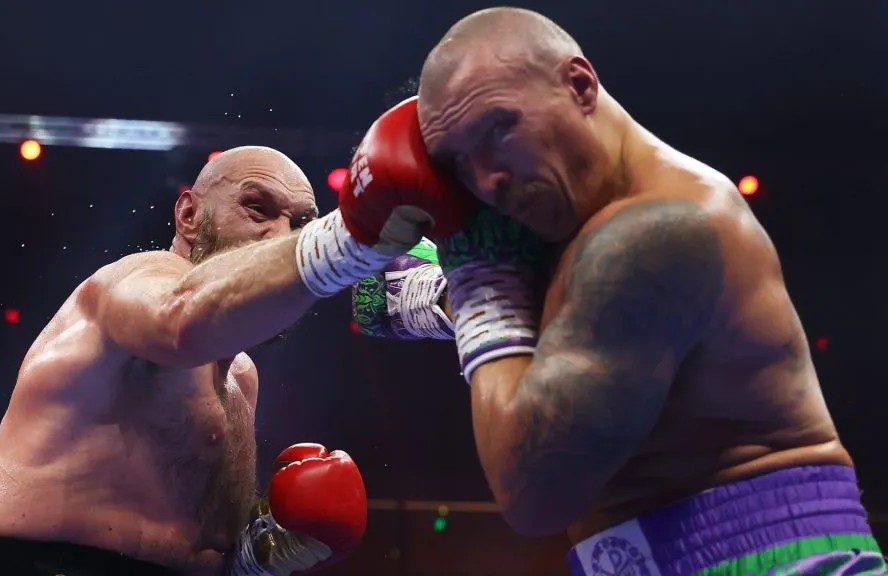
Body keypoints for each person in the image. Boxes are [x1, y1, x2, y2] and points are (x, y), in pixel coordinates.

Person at [340, 8, 885, 575]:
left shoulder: (655, 233)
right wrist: (439, 292)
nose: (485, 180)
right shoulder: (572, 226)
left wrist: (476, 283)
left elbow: (534, 494)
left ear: (579, 86)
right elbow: (379, 298)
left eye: (499, 129)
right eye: (457, 162)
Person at [0, 146, 389, 576]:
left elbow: (185, 537)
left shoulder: (242, 376)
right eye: (257, 208)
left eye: (303, 224)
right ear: (188, 215)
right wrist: (345, 241)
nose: (281, 235)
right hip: (23, 561)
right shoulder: (139, 278)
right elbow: (179, 320)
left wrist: (262, 550)